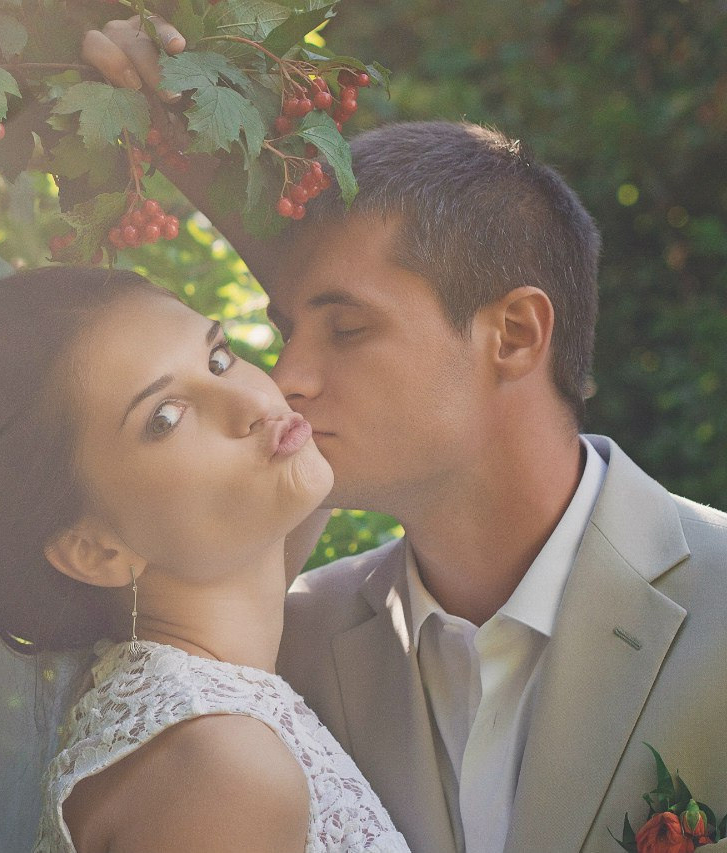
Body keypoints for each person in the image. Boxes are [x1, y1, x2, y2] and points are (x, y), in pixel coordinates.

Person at [83, 17, 727, 853]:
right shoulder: (289, 644)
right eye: (285, 333)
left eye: (346, 330)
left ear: (517, 335)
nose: (289, 380)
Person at [0, 266, 411, 852]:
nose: (254, 403)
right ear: (95, 548)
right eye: (164, 418)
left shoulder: (169, 699)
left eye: (218, 358)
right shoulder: (221, 765)